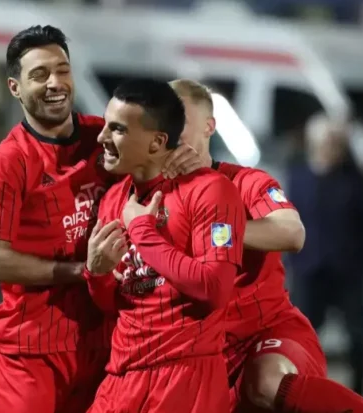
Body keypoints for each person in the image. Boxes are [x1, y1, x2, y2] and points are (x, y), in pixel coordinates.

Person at [0, 26, 201, 413]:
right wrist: (85, 270)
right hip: (31, 350)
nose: (55, 83)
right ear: (15, 88)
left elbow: (158, 163)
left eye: (62, 70)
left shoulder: (104, 137)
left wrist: (185, 158)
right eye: (39, 74)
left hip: (106, 340)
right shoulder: (5, 164)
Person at [170, 79, 363, 413]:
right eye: (163, 119)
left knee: (267, 380)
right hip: (199, 348)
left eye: (180, 118)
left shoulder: (246, 182)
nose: (170, 129)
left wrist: (215, 232)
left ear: (209, 126)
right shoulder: (137, 198)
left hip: (266, 330)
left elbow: (291, 231)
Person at [84, 79, 246, 413]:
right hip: (122, 377)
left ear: (157, 142)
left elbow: (214, 288)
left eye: (117, 129)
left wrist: (143, 231)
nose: (102, 138)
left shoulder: (211, 190)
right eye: (105, 125)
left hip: (184, 379)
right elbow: (116, 303)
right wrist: (96, 273)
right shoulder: (114, 199)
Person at [288, 113, 363, 398]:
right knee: (302, 337)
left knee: (357, 337)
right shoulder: (298, 177)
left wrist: (360, 265)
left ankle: (358, 394)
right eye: (328, 142)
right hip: (310, 270)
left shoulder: (353, 180)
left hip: (347, 271)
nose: (333, 148)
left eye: (337, 143)